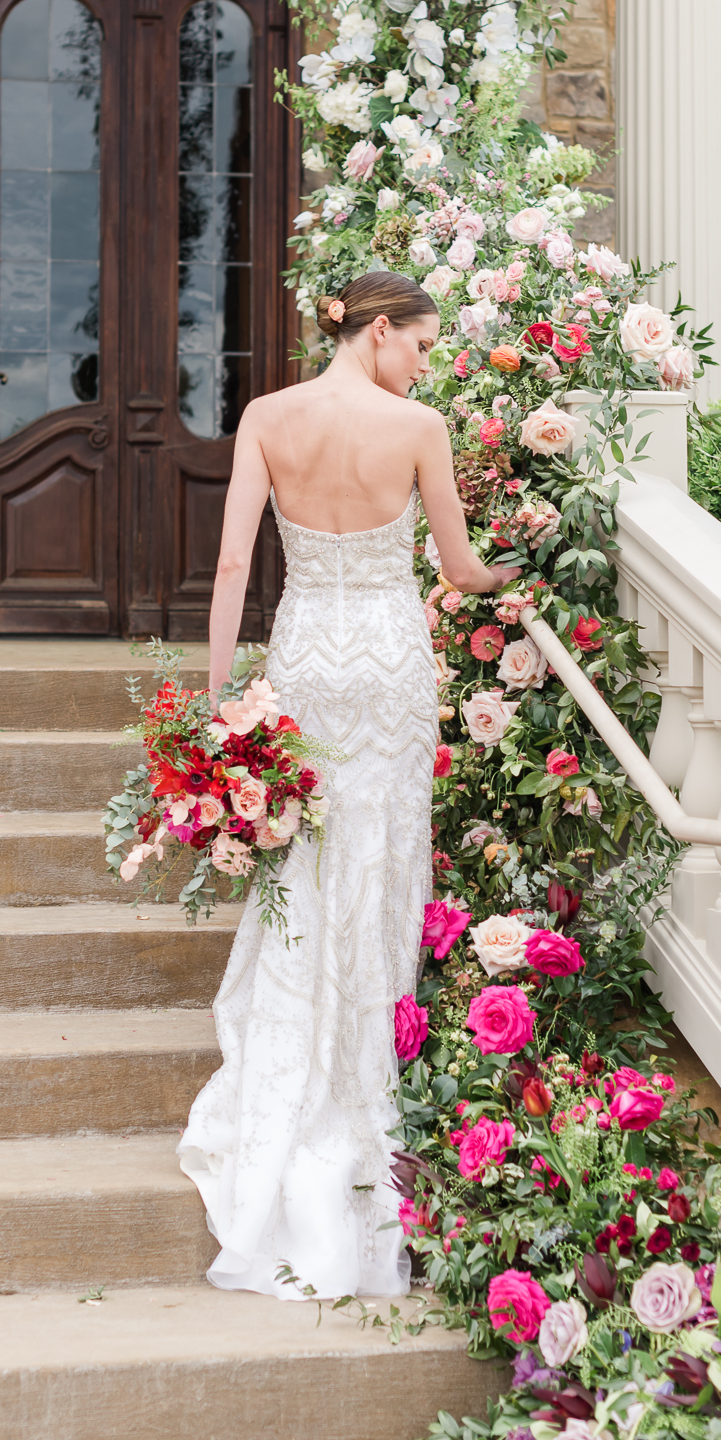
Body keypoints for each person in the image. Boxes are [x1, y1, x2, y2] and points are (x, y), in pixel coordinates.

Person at [178, 270, 511, 1299]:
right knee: (378, 852)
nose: (422, 360)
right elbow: (456, 573)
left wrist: (215, 699)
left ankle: (297, 1053)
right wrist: (519, 570)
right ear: (374, 331)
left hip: (311, 657)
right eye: (415, 341)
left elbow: (234, 568)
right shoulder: (417, 426)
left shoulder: (266, 416)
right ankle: (364, 1058)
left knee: (310, 852)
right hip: (387, 661)